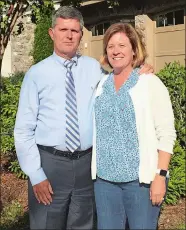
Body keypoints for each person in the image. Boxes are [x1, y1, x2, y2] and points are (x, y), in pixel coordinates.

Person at [14, 6, 153, 230]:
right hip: (50, 164)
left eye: (75, 30)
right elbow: (23, 130)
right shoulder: (36, 75)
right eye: (63, 29)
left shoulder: (94, 68)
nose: (69, 35)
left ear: (81, 34)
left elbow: (120, 80)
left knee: (84, 224)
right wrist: (35, 174)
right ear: (52, 33)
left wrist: (141, 69)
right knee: (47, 223)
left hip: (86, 165)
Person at [91, 23, 176, 230]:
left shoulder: (149, 83)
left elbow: (166, 133)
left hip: (140, 183)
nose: (116, 51)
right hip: (104, 182)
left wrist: (160, 176)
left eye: (122, 45)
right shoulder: (102, 84)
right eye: (111, 46)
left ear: (134, 50)